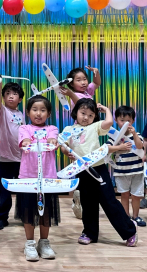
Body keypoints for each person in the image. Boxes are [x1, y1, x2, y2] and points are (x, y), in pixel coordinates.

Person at [59, 98, 138, 247]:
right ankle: (89, 233)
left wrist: (106, 109)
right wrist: (66, 152)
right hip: (81, 170)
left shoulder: (95, 126)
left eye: (90, 115)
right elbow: (63, 146)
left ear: (94, 117)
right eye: (83, 113)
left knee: (109, 202)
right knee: (87, 204)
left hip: (99, 168)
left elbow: (108, 123)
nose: (86, 117)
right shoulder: (68, 130)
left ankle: (129, 231)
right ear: (76, 113)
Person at [17, 96, 60, 261]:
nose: (38, 113)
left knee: (46, 212)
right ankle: (29, 243)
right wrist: (27, 141)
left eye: (43, 110)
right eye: (34, 109)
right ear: (28, 112)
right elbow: (24, 141)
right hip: (28, 177)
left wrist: (52, 140)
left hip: (48, 177)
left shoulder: (52, 129)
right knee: (28, 212)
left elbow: (53, 140)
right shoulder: (24, 128)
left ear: (48, 113)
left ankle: (44, 242)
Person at [60, 66, 101, 219]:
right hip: (79, 131)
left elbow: (97, 83)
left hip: (92, 129)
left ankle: (84, 196)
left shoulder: (88, 91)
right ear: (71, 84)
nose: (83, 82)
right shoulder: (75, 95)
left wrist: (96, 73)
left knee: (91, 160)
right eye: (79, 80)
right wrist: (70, 93)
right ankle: (79, 196)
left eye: (84, 79)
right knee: (80, 162)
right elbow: (81, 105)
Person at [0, 81, 25, 230]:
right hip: (5, 158)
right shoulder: (2, 111)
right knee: (4, 190)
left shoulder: (21, 114)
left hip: (22, 158)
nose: (11, 96)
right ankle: (1, 217)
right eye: (7, 94)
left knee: (23, 188)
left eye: (15, 94)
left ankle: (25, 215)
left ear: (20, 99)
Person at [108, 106, 146, 227]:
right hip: (121, 172)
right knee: (124, 194)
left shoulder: (138, 135)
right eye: (121, 120)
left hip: (137, 171)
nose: (124, 123)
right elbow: (107, 148)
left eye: (128, 121)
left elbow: (140, 147)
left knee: (136, 195)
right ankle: (126, 216)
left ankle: (136, 216)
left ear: (133, 121)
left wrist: (134, 134)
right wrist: (120, 147)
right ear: (116, 120)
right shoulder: (114, 137)